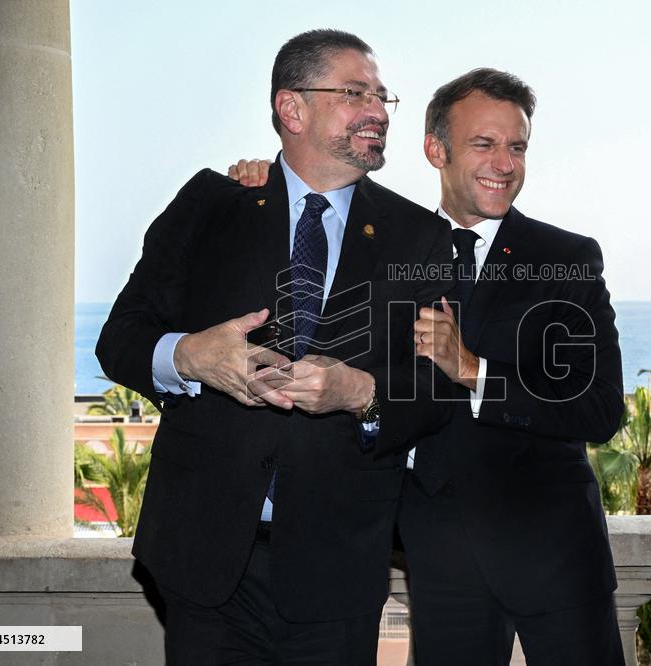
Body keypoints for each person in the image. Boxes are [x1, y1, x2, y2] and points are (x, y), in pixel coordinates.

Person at [230, 68, 625, 666]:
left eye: (517, 147)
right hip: (436, 558)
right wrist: (266, 185)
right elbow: (309, 232)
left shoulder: (566, 257)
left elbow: (598, 409)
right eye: (484, 144)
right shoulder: (391, 243)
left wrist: (474, 371)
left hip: (555, 554)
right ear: (435, 149)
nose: (505, 163)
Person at [96, 29, 452, 665]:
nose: (377, 111)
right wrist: (189, 356)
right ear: (292, 108)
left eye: (381, 97)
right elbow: (119, 338)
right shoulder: (212, 204)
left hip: (338, 566)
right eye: (354, 93)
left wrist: (361, 394)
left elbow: (440, 389)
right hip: (204, 560)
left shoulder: (419, 236)